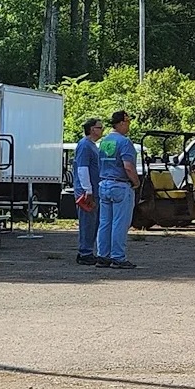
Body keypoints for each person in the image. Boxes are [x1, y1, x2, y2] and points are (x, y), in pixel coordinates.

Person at [96, 110, 141, 270]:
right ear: (122, 123)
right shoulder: (124, 142)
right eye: (128, 123)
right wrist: (136, 182)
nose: (128, 126)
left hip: (104, 184)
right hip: (120, 185)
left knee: (104, 223)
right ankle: (118, 257)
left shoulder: (105, 141)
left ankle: (103, 255)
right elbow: (128, 167)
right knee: (120, 223)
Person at [74, 118, 103, 265]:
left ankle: (88, 251)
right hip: (87, 193)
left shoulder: (91, 146)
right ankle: (85, 252)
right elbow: (82, 168)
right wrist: (87, 189)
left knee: (93, 223)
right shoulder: (85, 145)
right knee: (87, 223)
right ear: (92, 129)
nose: (102, 130)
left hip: (92, 191)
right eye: (100, 127)